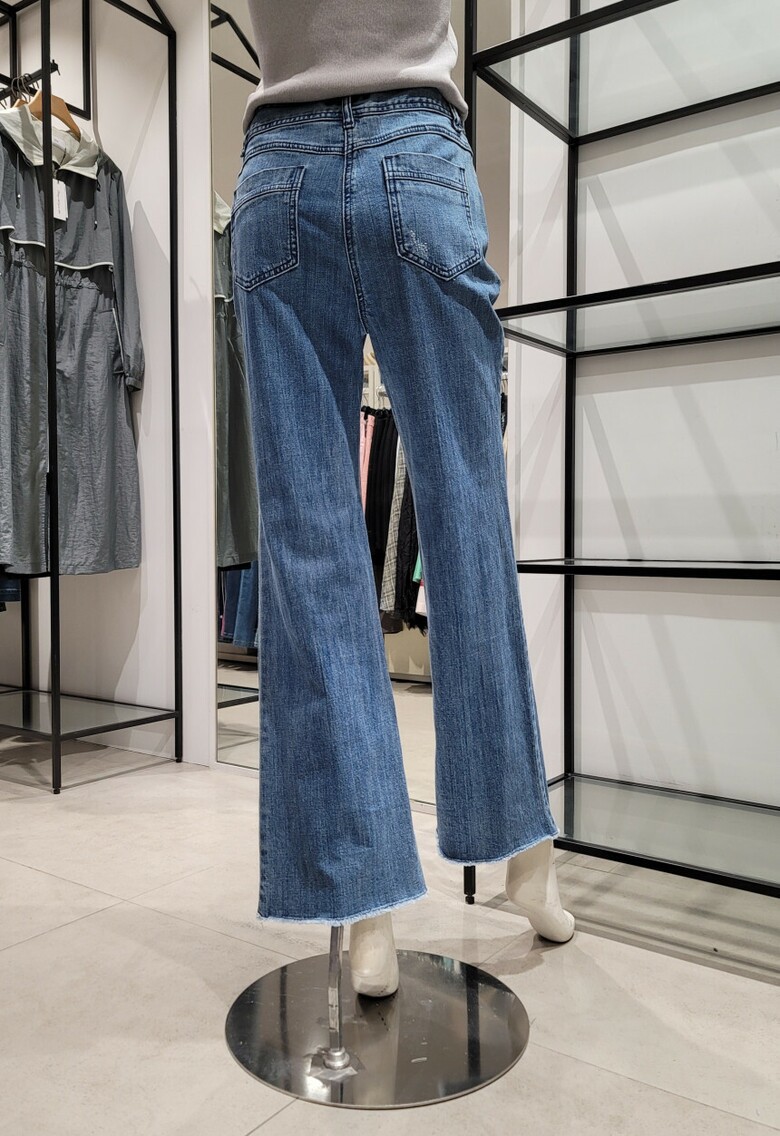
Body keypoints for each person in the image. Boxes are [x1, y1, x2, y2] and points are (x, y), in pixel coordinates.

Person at [233, 0, 575, 996]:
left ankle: (367, 903)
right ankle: (526, 857)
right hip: (417, 153)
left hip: (279, 171)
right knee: (467, 523)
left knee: (312, 545)